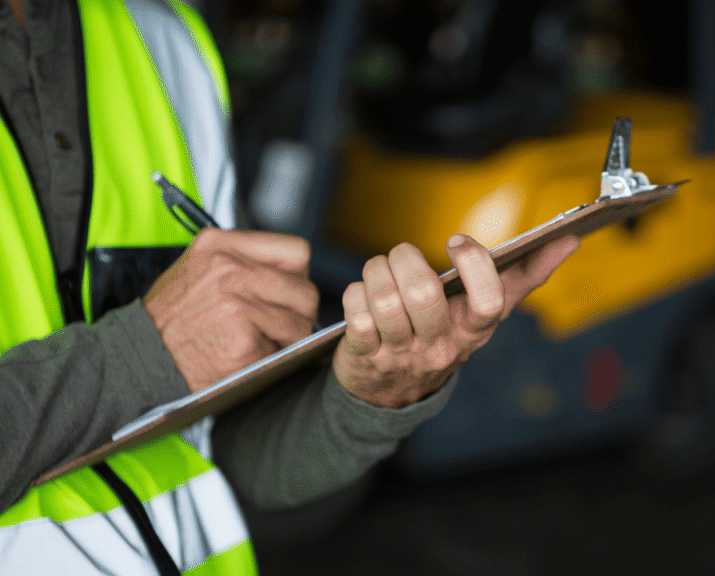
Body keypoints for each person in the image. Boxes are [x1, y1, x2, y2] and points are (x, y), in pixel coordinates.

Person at [0, 0, 578, 573]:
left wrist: (370, 399)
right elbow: (151, 360)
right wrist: (141, 355)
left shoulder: (163, 39)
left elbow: (215, 455)